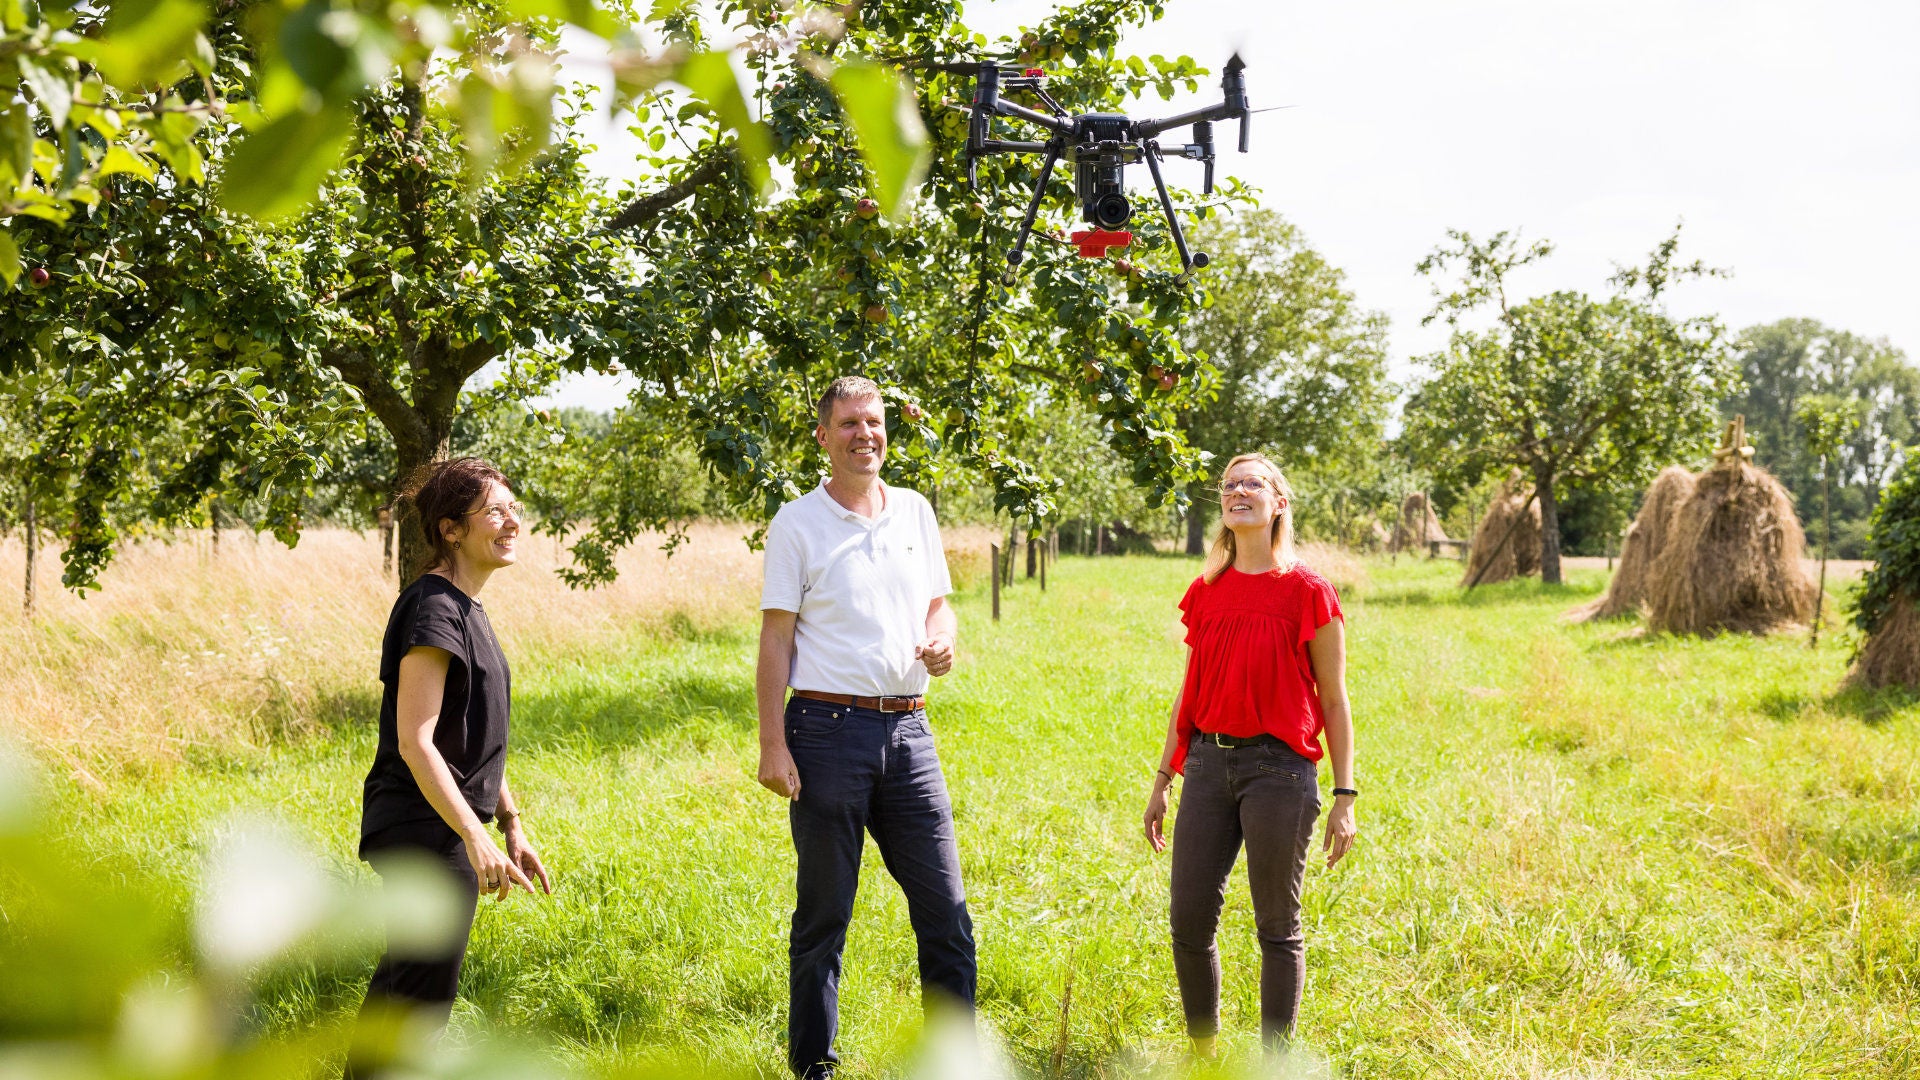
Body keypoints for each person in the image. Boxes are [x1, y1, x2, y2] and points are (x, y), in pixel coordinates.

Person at [755, 376, 973, 1080]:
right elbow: (775, 641)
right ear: (823, 436)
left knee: (946, 910)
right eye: (848, 423)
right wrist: (771, 743)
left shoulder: (914, 511)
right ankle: (814, 1066)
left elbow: (939, 605)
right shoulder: (796, 523)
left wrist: (942, 640)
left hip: (910, 733)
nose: (864, 434)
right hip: (825, 731)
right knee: (824, 915)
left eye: (873, 421)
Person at [1141, 452, 1357, 1057]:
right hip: (1208, 767)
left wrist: (1344, 795)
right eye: (1230, 484)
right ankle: (1204, 1055)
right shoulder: (1206, 592)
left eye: (1252, 483)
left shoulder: (1309, 592)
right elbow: (1191, 692)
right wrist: (1164, 777)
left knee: (1277, 928)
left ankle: (1273, 1063)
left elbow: (1335, 702)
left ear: (1278, 503)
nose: (1238, 490)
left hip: (1280, 773)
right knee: (1187, 922)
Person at [349, 457, 552, 1072]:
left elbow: (474, 737)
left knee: (402, 993)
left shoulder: (465, 607)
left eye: (514, 508)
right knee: (420, 1002)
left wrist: (509, 822)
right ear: (451, 529)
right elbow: (417, 742)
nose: (511, 520)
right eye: (494, 511)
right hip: (422, 828)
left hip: (438, 824)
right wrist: (474, 836)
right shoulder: (434, 609)